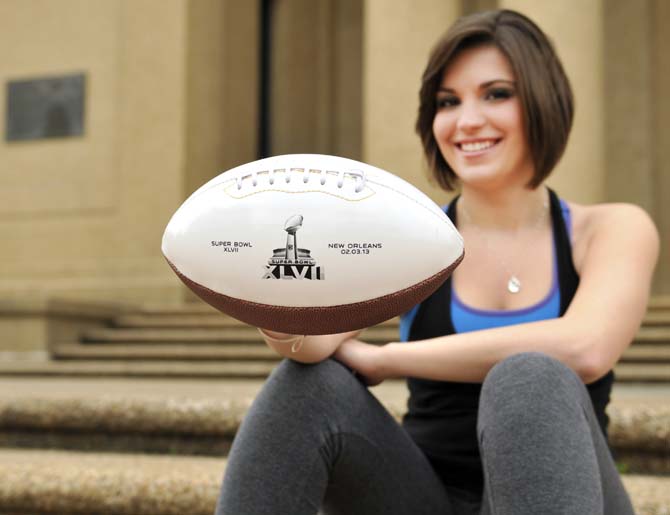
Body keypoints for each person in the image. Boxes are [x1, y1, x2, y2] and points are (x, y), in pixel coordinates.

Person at [215, 9, 658, 515]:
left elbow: (586, 347)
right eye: (448, 102)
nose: (468, 120)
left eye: (496, 93)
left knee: (529, 377)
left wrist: (384, 359)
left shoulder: (610, 229)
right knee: (306, 387)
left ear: (543, 100)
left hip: (567, 495)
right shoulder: (403, 243)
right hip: (424, 497)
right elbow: (310, 343)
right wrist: (276, 298)